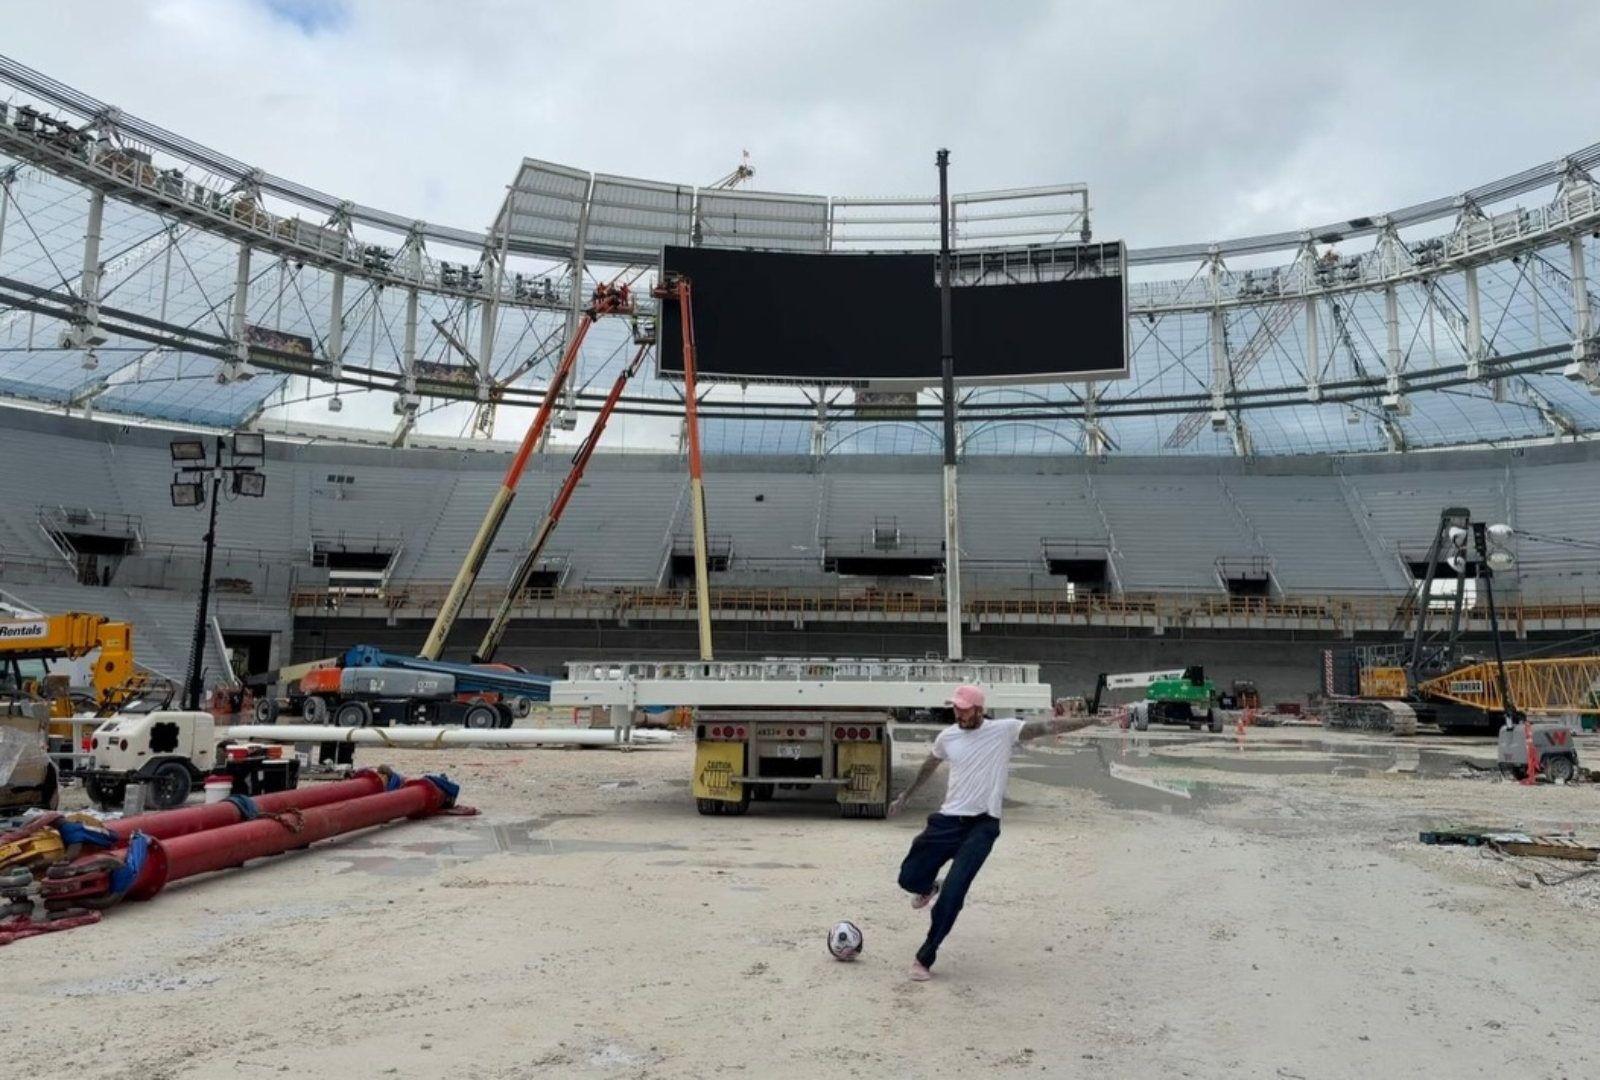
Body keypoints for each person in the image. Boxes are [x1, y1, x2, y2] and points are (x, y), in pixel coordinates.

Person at [888, 683, 1107, 981]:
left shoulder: (1003, 730)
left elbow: (1047, 726)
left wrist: (1090, 720)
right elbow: (930, 764)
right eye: (955, 707)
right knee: (908, 877)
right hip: (948, 820)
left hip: (982, 826)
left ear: (979, 709)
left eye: (963, 708)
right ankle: (927, 887)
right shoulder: (947, 736)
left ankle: (925, 956)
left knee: (954, 891)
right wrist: (907, 796)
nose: (957, 712)